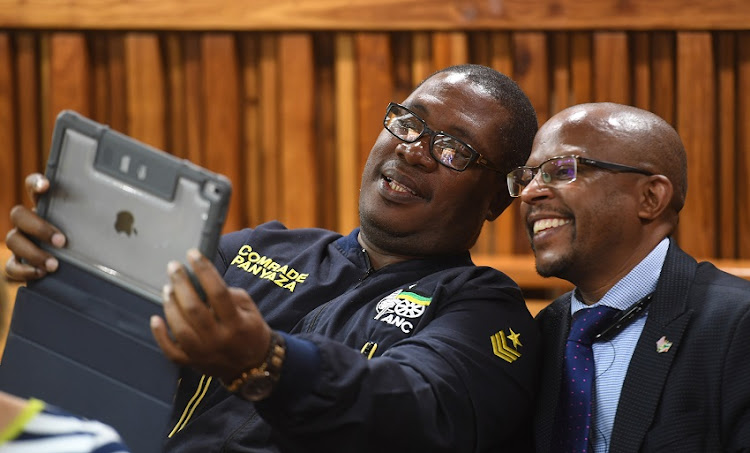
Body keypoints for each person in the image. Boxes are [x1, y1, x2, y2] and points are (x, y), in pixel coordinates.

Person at [5, 64, 541, 452]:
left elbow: (418, 412)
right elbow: (115, 342)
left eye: (454, 149)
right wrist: (70, 265)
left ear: (497, 199)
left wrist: (268, 363)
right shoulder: (260, 248)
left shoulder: (483, 312)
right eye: (409, 123)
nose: (414, 149)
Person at [506, 102, 750, 452]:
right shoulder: (543, 331)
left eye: (561, 170)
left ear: (650, 197)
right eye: (527, 177)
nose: (529, 193)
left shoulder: (736, 325)